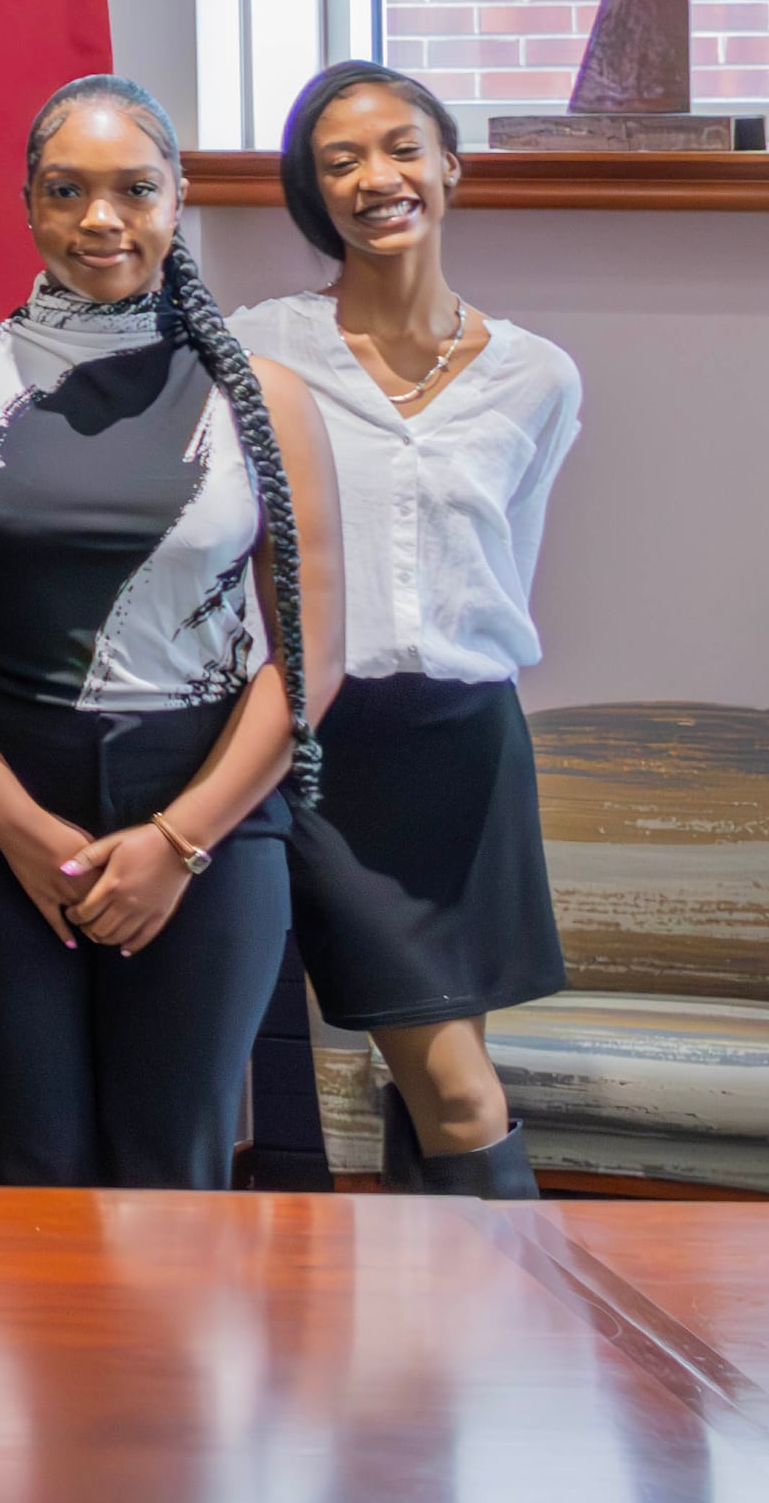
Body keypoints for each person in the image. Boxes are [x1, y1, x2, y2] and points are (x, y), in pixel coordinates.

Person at [0, 78, 340, 1189]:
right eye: (67, 192)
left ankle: (165, 1375)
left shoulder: (264, 398)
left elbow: (308, 665)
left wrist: (178, 840)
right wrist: (14, 831)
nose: (100, 220)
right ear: (29, 206)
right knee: (26, 1161)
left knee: (171, 1167)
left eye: (132, 190)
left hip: (208, 804)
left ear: (176, 200)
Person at [239, 61, 586, 1201]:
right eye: (337, 162)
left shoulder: (536, 376)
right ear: (310, 194)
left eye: (398, 148)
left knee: (440, 1081)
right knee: (452, 1087)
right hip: (313, 747)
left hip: (463, 747)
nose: (373, 179)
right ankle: (504, 1337)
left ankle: (449, 1352)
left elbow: (503, 568)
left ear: (448, 164)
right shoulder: (256, 350)